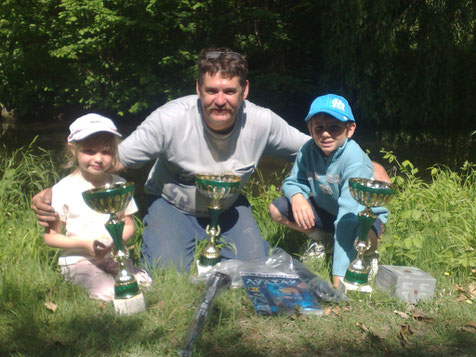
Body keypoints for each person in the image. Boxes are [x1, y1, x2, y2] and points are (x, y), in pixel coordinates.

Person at [33, 48, 388, 273]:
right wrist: (55, 191)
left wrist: (372, 170)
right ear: (198, 89)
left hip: (231, 207)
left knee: (254, 270)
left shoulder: (262, 121)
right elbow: (112, 161)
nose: (221, 100)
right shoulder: (168, 119)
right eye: (212, 90)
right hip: (171, 204)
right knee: (168, 273)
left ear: (244, 91)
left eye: (230, 91)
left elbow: (317, 145)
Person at [268, 94, 389, 288]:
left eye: (334, 127)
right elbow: (292, 182)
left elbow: (347, 217)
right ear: (310, 129)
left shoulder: (354, 160)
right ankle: (326, 242)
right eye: (319, 128)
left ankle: (364, 255)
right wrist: (297, 196)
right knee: (277, 208)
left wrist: (338, 277)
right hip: (328, 211)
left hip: (360, 216)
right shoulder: (307, 150)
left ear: (350, 129)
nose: (326, 134)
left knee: (362, 235)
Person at [43, 113, 151, 301]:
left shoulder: (119, 185)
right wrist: (85, 245)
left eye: (106, 152)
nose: (98, 158)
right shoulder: (62, 189)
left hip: (113, 255)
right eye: (90, 151)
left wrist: (115, 243)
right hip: (78, 259)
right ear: (73, 150)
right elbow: (51, 237)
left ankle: (123, 275)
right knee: (109, 292)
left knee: (142, 284)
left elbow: (128, 224)